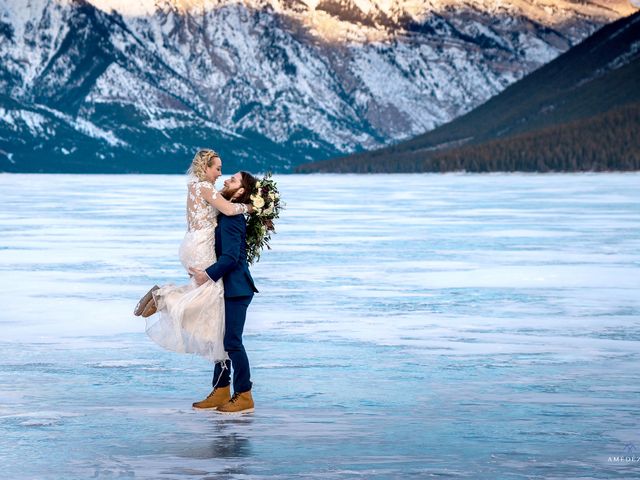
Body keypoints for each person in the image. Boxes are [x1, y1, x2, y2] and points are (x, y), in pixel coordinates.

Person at [133, 149, 250, 373]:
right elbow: (227, 208)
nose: (220, 174)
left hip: (191, 245)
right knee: (211, 296)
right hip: (201, 245)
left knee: (204, 294)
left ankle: (220, 376)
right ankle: (164, 299)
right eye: (217, 168)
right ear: (205, 168)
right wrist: (252, 208)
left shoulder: (197, 187)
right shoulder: (205, 187)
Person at [189, 171, 259, 415]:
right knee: (220, 340)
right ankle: (220, 390)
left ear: (240, 192)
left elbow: (230, 258)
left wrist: (205, 275)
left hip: (237, 289)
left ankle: (244, 394)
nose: (227, 179)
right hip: (226, 287)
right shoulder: (227, 214)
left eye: (233, 180)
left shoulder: (231, 219)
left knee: (231, 341)